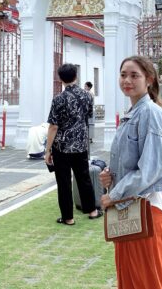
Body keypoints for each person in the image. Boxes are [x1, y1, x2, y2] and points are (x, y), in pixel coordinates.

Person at [99, 56, 162, 288]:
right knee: (133, 277)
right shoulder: (132, 113)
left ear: (149, 79)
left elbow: (152, 169)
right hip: (129, 209)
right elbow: (131, 163)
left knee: (147, 279)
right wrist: (110, 177)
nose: (127, 80)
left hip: (147, 210)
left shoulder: (150, 113)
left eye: (134, 75)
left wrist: (114, 195)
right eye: (123, 74)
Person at [45, 63, 101, 225]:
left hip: (62, 147)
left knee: (63, 182)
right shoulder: (87, 96)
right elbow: (88, 116)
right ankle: (92, 210)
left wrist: (48, 150)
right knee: (83, 178)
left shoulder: (58, 99)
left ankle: (68, 217)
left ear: (60, 79)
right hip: (81, 145)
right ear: (76, 76)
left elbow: (53, 126)